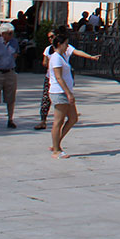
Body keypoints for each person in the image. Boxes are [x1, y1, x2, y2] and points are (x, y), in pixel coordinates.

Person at [46, 28, 79, 158]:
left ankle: (56, 143)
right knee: (58, 121)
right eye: (66, 44)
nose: (67, 47)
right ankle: (56, 150)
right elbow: (59, 78)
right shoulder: (56, 58)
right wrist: (68, 93)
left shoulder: (62, 57)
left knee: (73, 118)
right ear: (59, 44)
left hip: (65, 92)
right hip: (59, 92)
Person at [0, 22, 21, 129]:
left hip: (10, 72)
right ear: (3, 34)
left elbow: (16, 54)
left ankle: (10, 119)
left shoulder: (14, 42)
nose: (11, 35)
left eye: (12, 33)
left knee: (11, 97)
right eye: (9, 33)